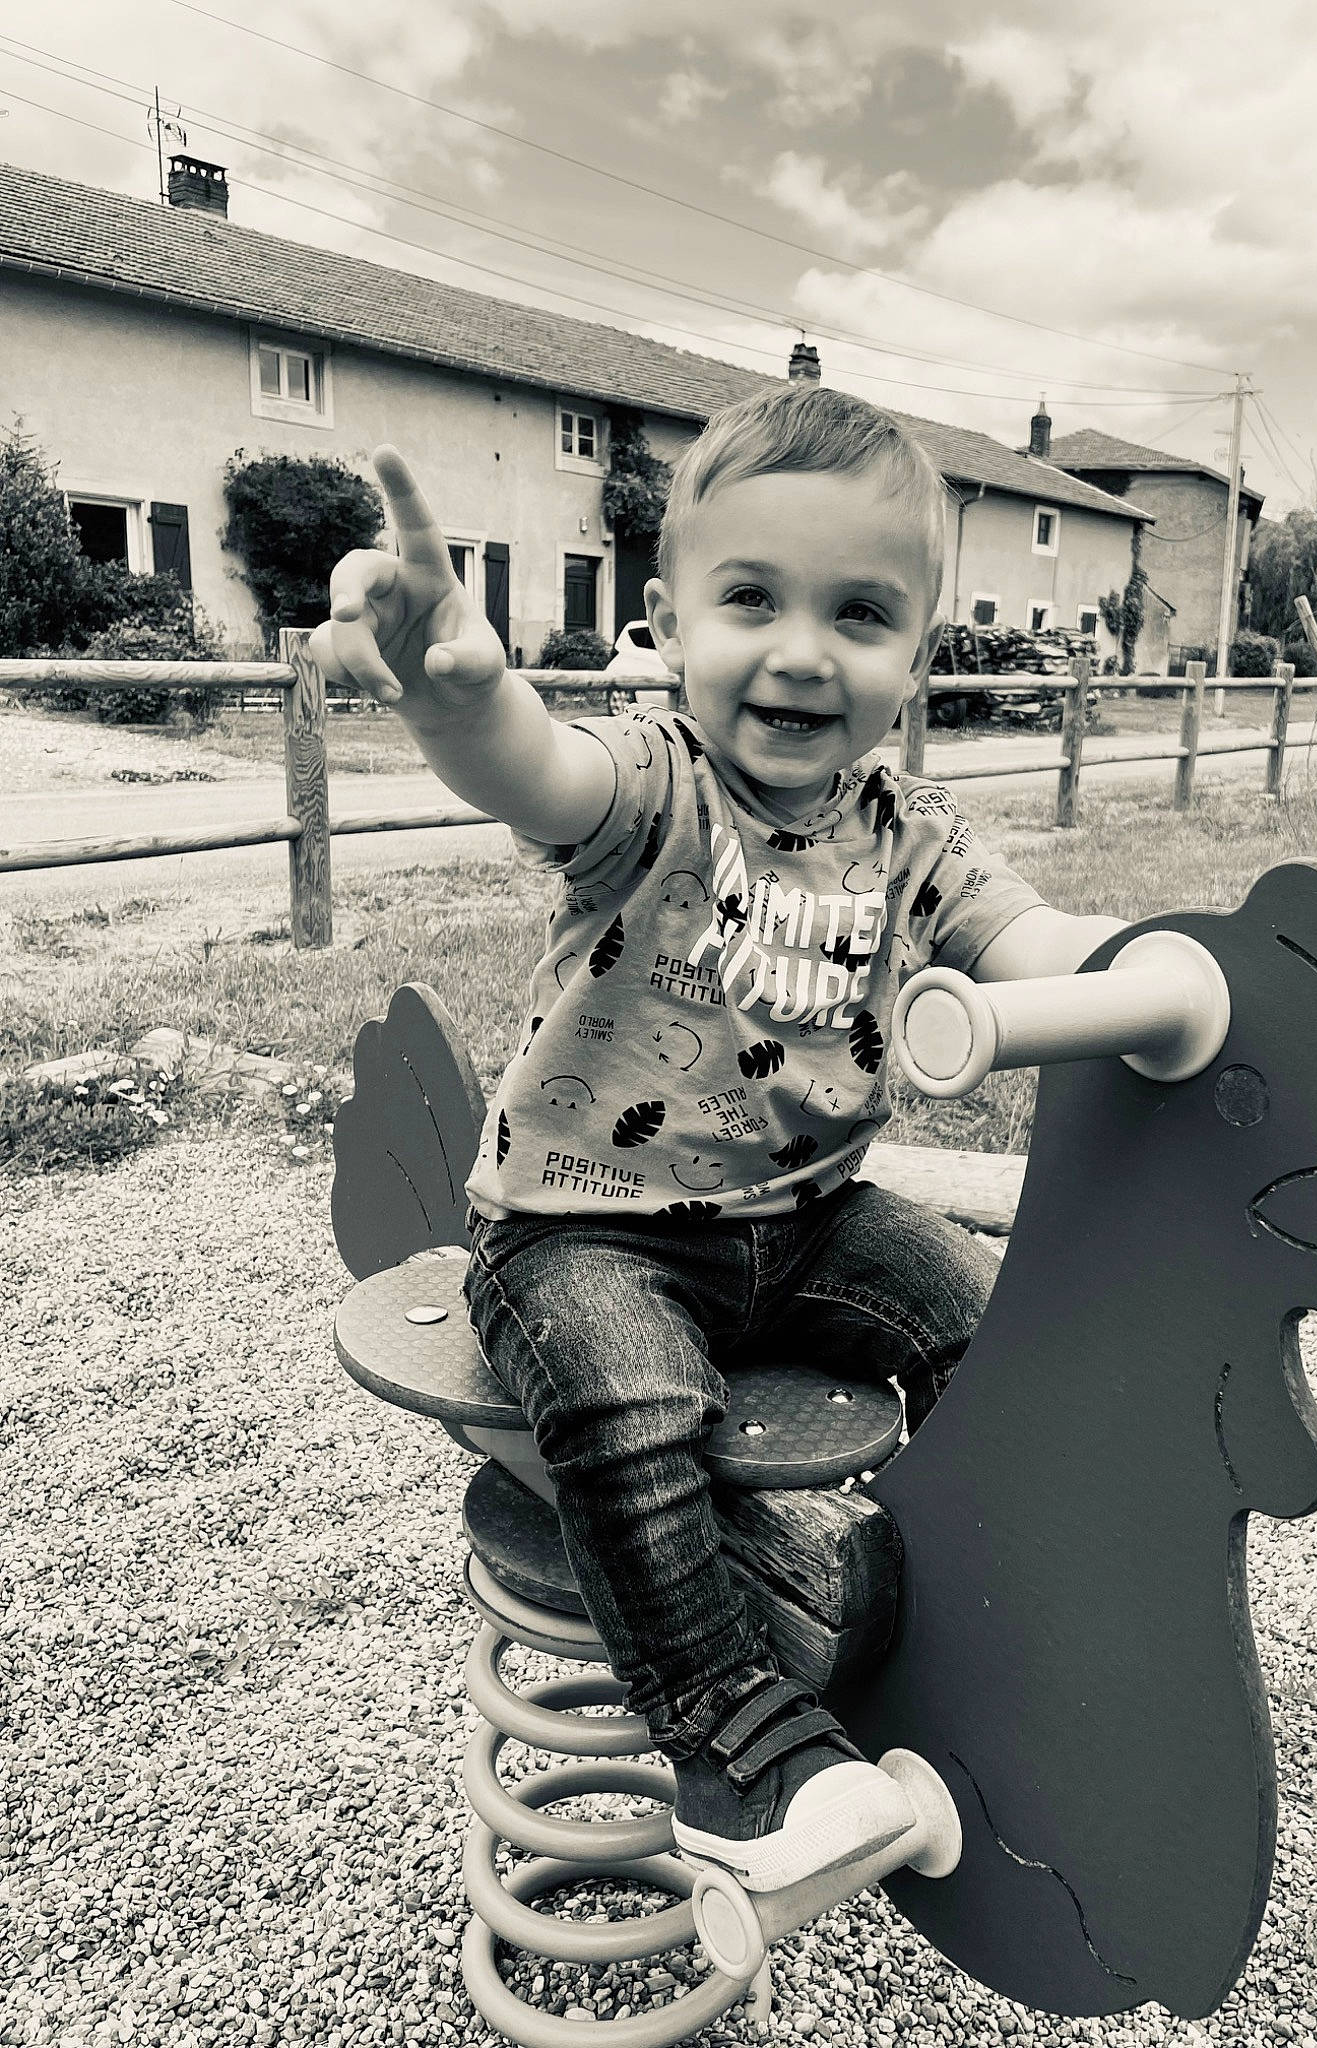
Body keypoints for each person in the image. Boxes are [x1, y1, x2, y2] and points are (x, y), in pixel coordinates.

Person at [311, 386, 1123, 1896]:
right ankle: (736, 1753)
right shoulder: (653, 785)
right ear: (673, 623)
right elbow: (529, 769)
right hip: (579, 1225)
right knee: (632, 1397)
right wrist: (452, 697)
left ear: (917, 661)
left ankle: (998, 1617)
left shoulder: (917, 837)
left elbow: (1043, 947)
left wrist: (1171, 965)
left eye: (860, 612)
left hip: (805, 1218)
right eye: (752, 597)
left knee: (990, 1323)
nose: (803, 649)